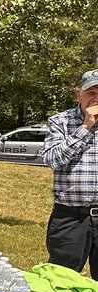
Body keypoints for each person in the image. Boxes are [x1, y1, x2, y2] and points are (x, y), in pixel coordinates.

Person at [44, 69, 98, 276]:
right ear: (79, 94)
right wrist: (85, 127)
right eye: (91, 93)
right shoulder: (60, 122)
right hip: (70, 217)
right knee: (61, 281)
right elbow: (53, 160)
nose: (96, 99)